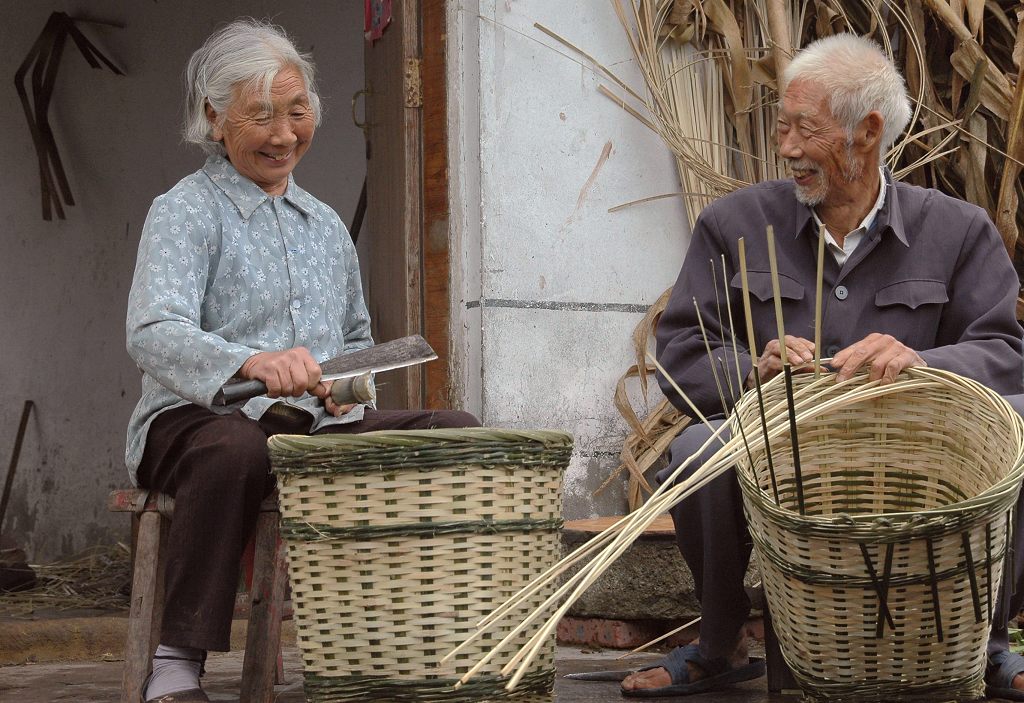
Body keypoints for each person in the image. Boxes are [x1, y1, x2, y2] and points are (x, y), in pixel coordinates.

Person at [620, 33, 1024, 699]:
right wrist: (753, 371)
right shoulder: (734, 224)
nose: (787, 149)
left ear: (868, 132)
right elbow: (686, 351)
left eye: (805, 130)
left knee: (1017, 431)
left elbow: (1006, 355)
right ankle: (721, 639)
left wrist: (922, 360)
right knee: (699, 447)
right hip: (781, 450)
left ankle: (987, 642)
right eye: (783, 126)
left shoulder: (957, 230)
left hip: (921, 454)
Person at [125, 20, 478, 703]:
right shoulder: (185, 212)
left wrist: (350, 388)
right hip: (194, 423)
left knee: (453, 432)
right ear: (213, 117)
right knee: (236, 447)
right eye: (261, 115)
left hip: (308, 428)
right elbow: (151, 330)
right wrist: (249, 361)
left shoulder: (325, 228)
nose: (284, 134)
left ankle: (410, 647)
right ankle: (174, 664)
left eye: (296, 111)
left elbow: (354, 339)